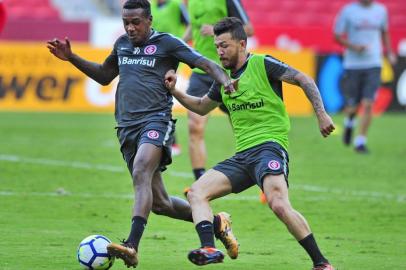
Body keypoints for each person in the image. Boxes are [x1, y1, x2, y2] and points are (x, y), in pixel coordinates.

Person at [47, 0, 238, 268]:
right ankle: (218, 223)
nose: (130, 27)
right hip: (126, 128)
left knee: (141, 171)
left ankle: (131, 245)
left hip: (156, 121)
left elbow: (205, 63)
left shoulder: (167, 43)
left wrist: (226, 80)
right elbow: (104, 76)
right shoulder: (122, 44)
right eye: (126, 22)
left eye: (136, 22)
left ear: (149, 20)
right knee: (160, 203)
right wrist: (72, 57)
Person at [165, 17, 336, 269]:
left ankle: (321, 263)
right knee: (196, 193)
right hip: (243, 156)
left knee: (278, 203)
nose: (219, 51)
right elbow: (202, 107)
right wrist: (176, 91)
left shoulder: (263, 64)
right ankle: (208, 247)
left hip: (269, 147)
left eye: (224, 45)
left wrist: (321, 113)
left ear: (242, 44)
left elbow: (304, 79)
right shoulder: (222, 80)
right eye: (217, 46)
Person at [183, 0, 254, 191]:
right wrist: (180, 42)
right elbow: (194, 26)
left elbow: (249, 29)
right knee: (194, 127)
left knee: (244, 130)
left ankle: (263, 176)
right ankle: (199, 182)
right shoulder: (190, 2)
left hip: (228, 73)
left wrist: (215, 29)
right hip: (200, 71)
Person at [334, 0, 396, 153]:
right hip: (353, 65)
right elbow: (337, 36)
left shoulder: (381, 10)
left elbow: (384, 32)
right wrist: (354, 47)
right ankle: (349, 122)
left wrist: (389, 52)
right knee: (352, 106)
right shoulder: (348, 11)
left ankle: (360, 141)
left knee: (368, 103)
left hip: (374, 63)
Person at [150, 0, 190, 156]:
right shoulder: (151, 6)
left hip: (169, 57)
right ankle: (167, 140)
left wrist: (179, 44)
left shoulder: (175, 5)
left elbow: (190, 24)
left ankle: (171, 141)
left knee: (162, 93)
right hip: (152, 55)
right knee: (157, 96)